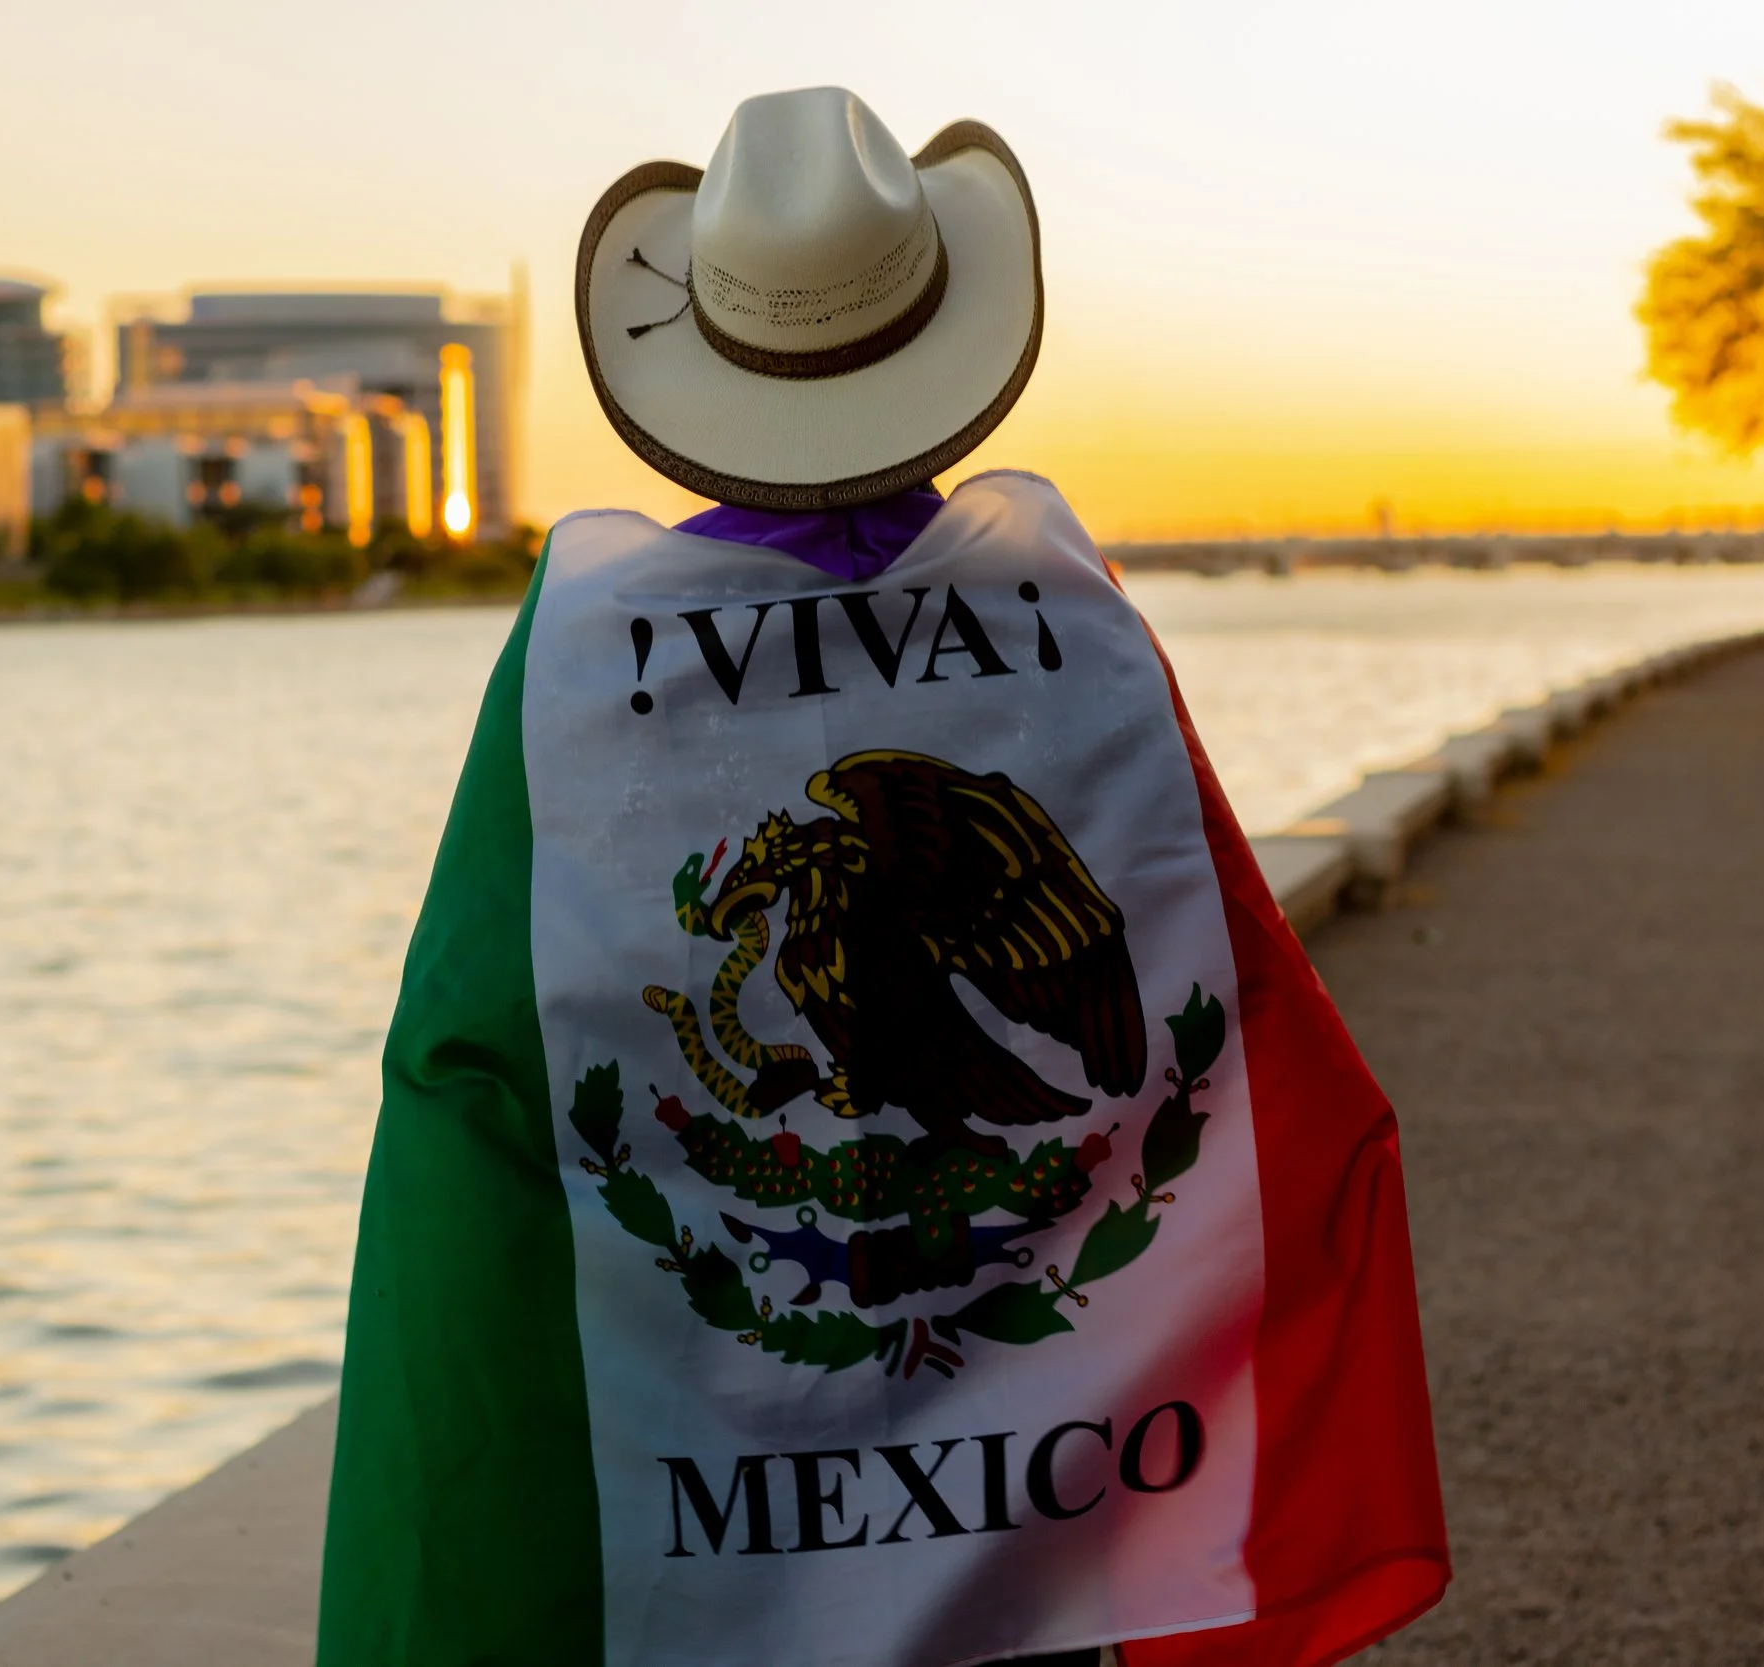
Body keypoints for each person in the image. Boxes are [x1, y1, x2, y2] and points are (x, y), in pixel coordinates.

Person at [318, 87, 1447, 1667]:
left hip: (714, 1464)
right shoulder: (1070, 622)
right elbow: (1225, 982)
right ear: (946, 349)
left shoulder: (581, 660)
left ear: (710, 360)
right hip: (1023, 1457)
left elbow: (468, 1074)